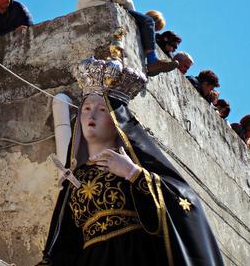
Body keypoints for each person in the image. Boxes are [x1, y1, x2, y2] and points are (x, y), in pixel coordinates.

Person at [38, 57, 224, 266]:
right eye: (86, 108)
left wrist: (134, 174)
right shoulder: (76, 177)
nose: (91, 116)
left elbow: (187, 204)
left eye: (101, 110)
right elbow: (64, 244)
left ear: (119, 119)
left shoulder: (138, 167)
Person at [77, 0, 178, 76]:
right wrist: (135, 19)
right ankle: (152, 61)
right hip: (103, 7)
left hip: (85, 10)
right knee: (148, 21)